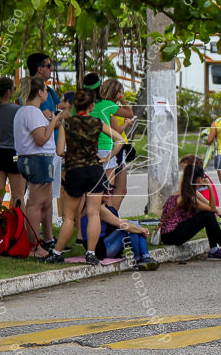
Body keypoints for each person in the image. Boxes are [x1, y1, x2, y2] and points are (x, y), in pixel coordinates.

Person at [42, 90, 124, 264]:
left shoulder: (66, 123)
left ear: (73, 106)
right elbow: (119, 140)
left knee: (69, 217)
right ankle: (91, 254)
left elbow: (59, 151)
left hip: (74, 171)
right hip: (95, 171)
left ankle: (56, 254)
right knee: (94, 213)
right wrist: (107, 158)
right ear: (92, 106)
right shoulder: (98, 122)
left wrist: (71, 155)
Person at [14, 78, 67, 256]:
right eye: (45, 89)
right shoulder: (33, 113)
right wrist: (54, 121)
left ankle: (44, 241)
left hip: (35, 159)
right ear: (39, 92)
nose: (47, 93)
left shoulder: (24, 112)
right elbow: (41, 139)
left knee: (44, 202)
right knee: (36, 204)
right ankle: (34, 246)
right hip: (37, 160)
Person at [158, 162, 221, 258]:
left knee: (207, 215)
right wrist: (209, 187)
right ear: (198, 179)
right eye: (203, 177)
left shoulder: (189, 192)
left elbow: (213, 208)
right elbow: (212, 209)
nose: (204, 179)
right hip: (172, 235)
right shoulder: (188, 197)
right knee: (208, 216)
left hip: (170, 233)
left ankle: (214, 249)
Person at [27, 53, 70, 221]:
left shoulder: (49, 90)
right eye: (49, 66)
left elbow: (58, 109)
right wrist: (60, 117)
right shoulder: (35, 91)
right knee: (41, 191)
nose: (52, 69)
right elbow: (50, 120)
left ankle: (56, 221)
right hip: (42, 147)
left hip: (53, 145)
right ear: (40, 68)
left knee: (55, 186)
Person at [79, 190, 159, 270]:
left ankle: (144, 258)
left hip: (102, 246)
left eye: (110, 192)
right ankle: (142, 259)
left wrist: (140, 228)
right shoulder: (98, 209)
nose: (109, 194)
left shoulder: (94, 207)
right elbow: (123, 225)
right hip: (100, 250)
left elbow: (121, 221)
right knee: (130, 228)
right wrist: (143, 230)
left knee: (134, 226)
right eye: (105, 192)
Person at [89, 76, 134, 190]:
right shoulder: (109, 106)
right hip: (108, 147)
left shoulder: (94, 104)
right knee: (109, 190)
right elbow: (129, 114)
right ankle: (109, 208)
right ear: (117, 93)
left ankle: (106, 208)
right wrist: (122, 100)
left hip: (93, 146)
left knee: (96, 190)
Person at [0, 76, 25, 208]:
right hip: (12, 154)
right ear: (9, 91)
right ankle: (17, 227)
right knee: (18, 196)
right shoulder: (16, 110)